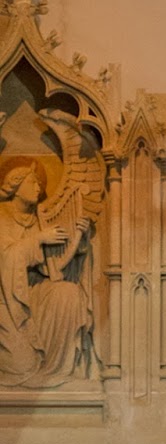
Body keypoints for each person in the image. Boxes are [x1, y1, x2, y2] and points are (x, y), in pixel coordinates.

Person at [0, 159, 93, 386]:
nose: (38, 188)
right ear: (14, 185)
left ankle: (57, 367)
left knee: (67, 292)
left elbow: (53, 266)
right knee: (21, 367)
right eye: (32, 182)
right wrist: (38, 239)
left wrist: (80, 238)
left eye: (40, 183)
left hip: (35, 292)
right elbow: (6, 258)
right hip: (6, 299)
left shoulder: (41, 218)